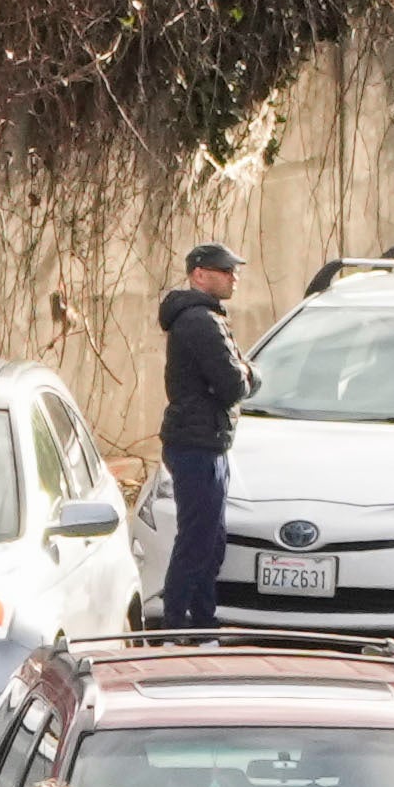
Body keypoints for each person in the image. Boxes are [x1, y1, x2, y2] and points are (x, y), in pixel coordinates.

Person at [151, 241, 250, 631]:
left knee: (210, 542)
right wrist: (248, 374)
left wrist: (242, 373)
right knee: (197, 542)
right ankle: (177, 628)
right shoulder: (200, 321)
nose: (233, 277)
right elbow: (233, 383)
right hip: (197, 445)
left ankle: (203, 625)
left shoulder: (207, 318)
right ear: (199, 274)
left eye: (233, 270)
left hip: (207, 441)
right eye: (225, 270)